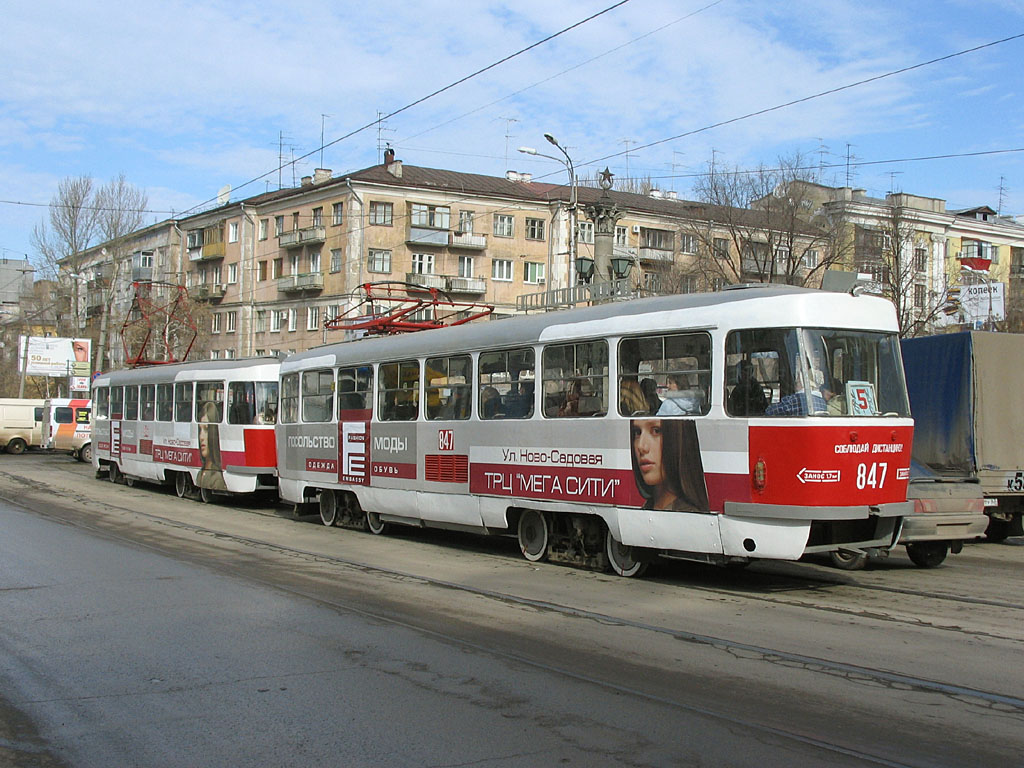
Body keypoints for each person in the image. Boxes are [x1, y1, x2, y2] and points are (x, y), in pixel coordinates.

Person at [630, 417, 709, 512]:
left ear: (680, 438)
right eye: (637, 433)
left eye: (656, 431)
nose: (641, 447)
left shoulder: (692, 518)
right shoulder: (646, 510)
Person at [197, 403, 227, 491]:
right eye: (200, 430)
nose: (201, 437)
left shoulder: (217, 478)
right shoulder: (200, 473)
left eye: (206, 429)